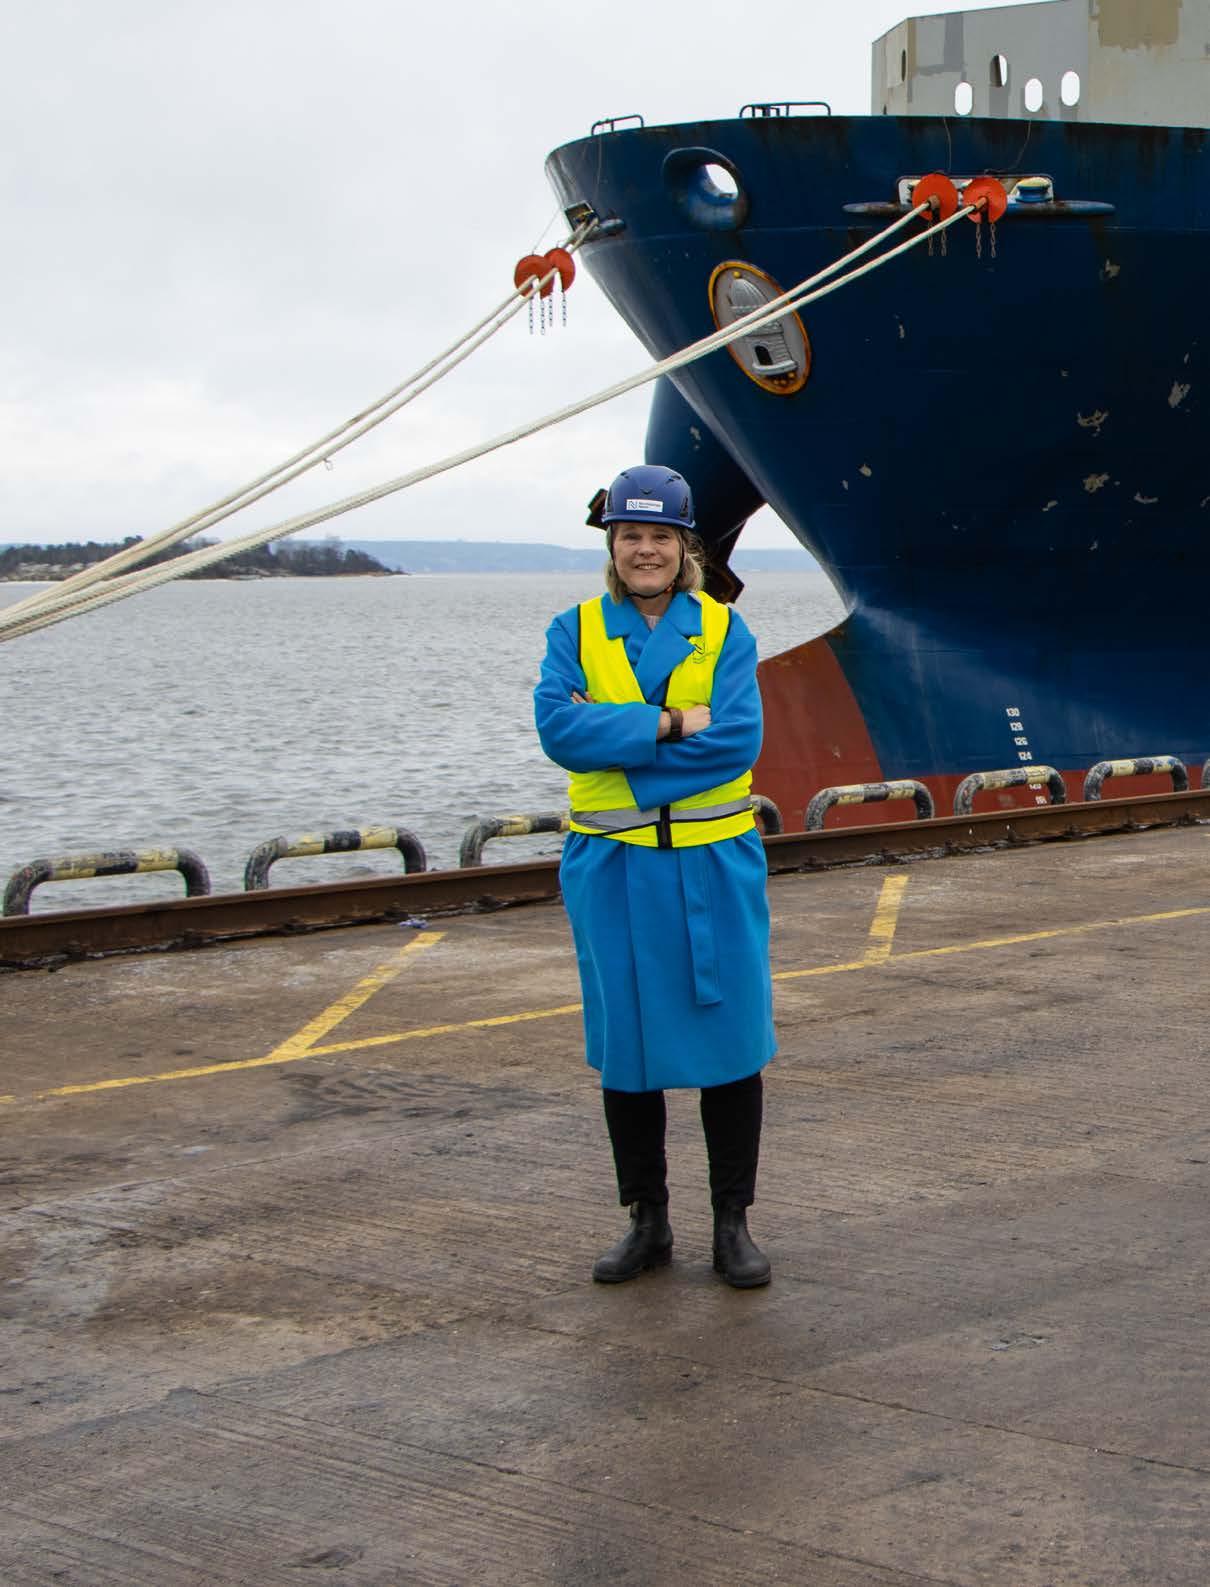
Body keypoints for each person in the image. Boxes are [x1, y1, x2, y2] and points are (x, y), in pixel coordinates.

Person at [534, 463, 776, 1288]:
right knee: (626, 1050)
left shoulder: (725, 632)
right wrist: (671, 724)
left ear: (685, 547)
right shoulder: (573, 630)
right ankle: (647, 1220)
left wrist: (618, 745)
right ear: (612, 545)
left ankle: (733, 1223)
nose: (645, 550)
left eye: (660, 537)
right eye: (630, 535)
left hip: (713, 864)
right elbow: (559, 733)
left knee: (731, 1045)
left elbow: (735, 744)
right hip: (613, 869)